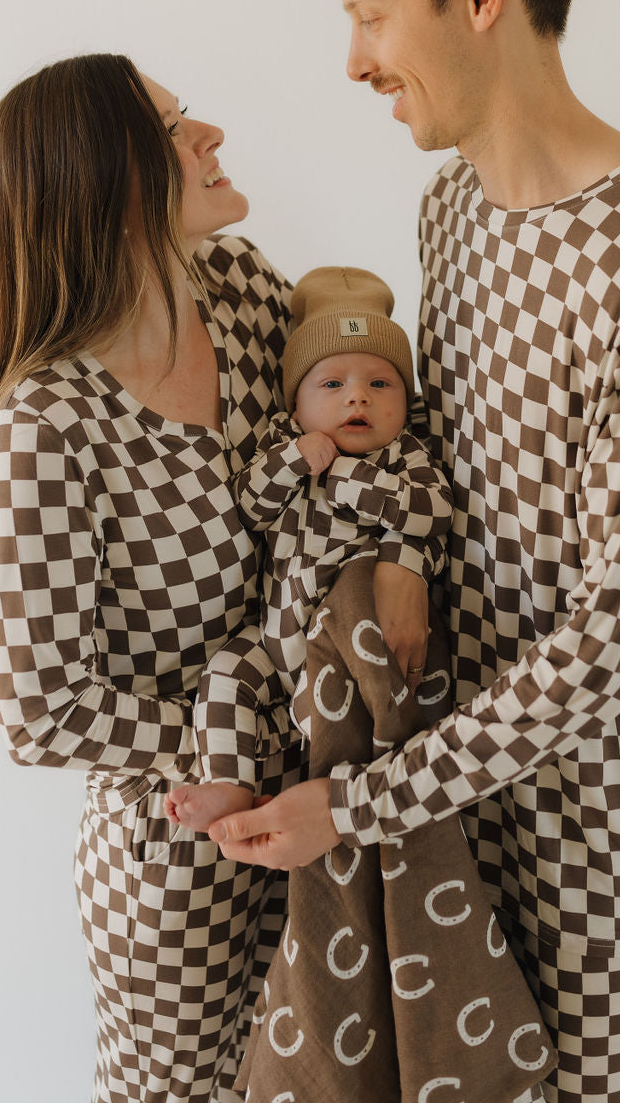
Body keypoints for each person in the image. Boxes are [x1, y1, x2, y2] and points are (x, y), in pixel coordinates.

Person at [208, 0, 620, 1103]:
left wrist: (360, 803)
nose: (353, 61)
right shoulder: (449, 209)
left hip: (593, 845)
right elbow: (433, 478)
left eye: (371, 15)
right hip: (434, 799)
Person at [0, 54, 429, 1103]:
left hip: (328, 806)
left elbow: (367, 444)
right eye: (175, 127)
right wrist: (239, 737)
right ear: (109, 181)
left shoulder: (243, 292)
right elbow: (40, 712)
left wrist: (407, 559)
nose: (210, 131)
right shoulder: (49, 425)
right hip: (179, 860)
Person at [167, 264, 453, 832]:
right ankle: (227, 780)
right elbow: (249, 507)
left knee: (355, 720)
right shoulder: (283, 444)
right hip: (275, 632)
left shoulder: (403, 457)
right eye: (332, 385)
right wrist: (295, 459)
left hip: (343, 637)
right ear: (295, 405)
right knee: (225, 676)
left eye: (380, 383)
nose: (358, 399)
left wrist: (348, 478)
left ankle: (360, 805)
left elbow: (433, 512)